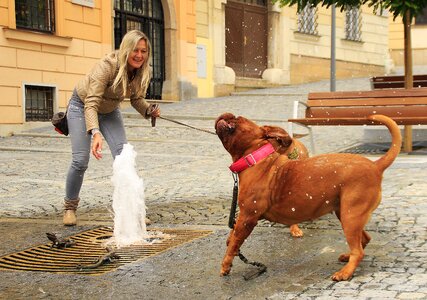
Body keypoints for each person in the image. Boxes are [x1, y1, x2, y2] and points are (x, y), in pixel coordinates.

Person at [63, 30, 160, 226]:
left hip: (109, 111)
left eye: (143, 51)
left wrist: (149, 110)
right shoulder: (107, 66)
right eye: (135, 50)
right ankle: (69, 207)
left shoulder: (141, 70)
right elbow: (91, 102)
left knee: (124, 156)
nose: (139, 55)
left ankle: (133, 211)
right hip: (81, 106)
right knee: (80, 160)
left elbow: (136, 99)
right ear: (126, 49)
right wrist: (95, 132)